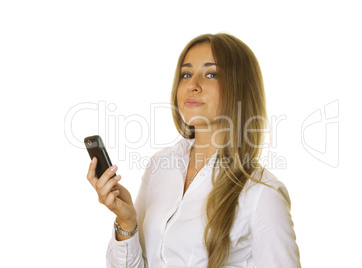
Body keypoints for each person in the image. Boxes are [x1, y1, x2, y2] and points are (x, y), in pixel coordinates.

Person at [87, 33, 301, 267]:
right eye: (186, 74)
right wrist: (127, 222)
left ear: (240, 88)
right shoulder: (160, 165)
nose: (192, 85)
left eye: (211, 74)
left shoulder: (262, 194)